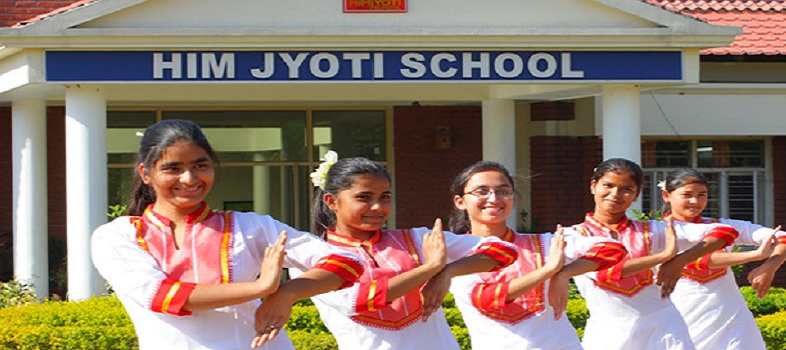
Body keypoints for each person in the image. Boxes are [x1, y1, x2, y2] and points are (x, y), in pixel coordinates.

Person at [91, 119, 365, 349]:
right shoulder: (118, 236)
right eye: (173, 168)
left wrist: (286, 294)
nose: (189, 178)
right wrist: (259, 288)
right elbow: (161, 296)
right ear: (146, 173)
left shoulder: (251, 227)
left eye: (200, 165)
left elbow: (347, 262)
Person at [303, 154, 520, 349]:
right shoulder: (314, 256)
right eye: (364, 198)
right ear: (331, 201)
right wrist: (431, 268)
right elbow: (359, 301)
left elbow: (504, 250)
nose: (378, 207)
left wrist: (447, 272)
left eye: (385, 197)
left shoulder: (413, 239)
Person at [446, 161, 628, 350]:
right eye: (481, 191)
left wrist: (563, 273)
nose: (493, 198)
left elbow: (613, 249)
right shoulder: (455, 252)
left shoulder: (542, 243)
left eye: (503, 191)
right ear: (460, 202)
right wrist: (548, 271)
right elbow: (488, 299)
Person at [563, 158, 740, 350]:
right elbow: (607, 274)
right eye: (608, 185)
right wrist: (662, 257)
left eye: (627, 189)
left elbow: (725, 232)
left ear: (637, 194)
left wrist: (679, 261)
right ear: (593, 186)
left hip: (665, 331)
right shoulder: (572, 236)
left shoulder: (653, 230)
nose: (615, 194)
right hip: (610, 334)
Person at [657, 167, 786, 350]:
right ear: (666, 195)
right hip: (683, 313)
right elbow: (695, 262)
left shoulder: (722, 225)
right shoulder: (658, 232)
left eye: (702, 195)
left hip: (730, 316)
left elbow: (785, 238)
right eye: (687, 195)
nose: (695, 201)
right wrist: (754, 256)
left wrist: (769, 267)